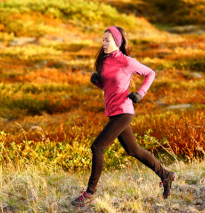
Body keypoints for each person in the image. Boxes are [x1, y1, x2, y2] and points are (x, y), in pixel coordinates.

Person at [71, 26, 176, 207]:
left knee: (97, 147)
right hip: (113, 113)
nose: (103, 43)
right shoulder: (105, 62)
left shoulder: (127, 62)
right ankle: (166, 175)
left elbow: (151, 73)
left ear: (117, 43)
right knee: (133, 150)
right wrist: (98, 82)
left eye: (107, 40)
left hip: (124, 111)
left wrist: (140, 93)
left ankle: (90, 192)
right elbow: (109, 87)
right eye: (103, 40)